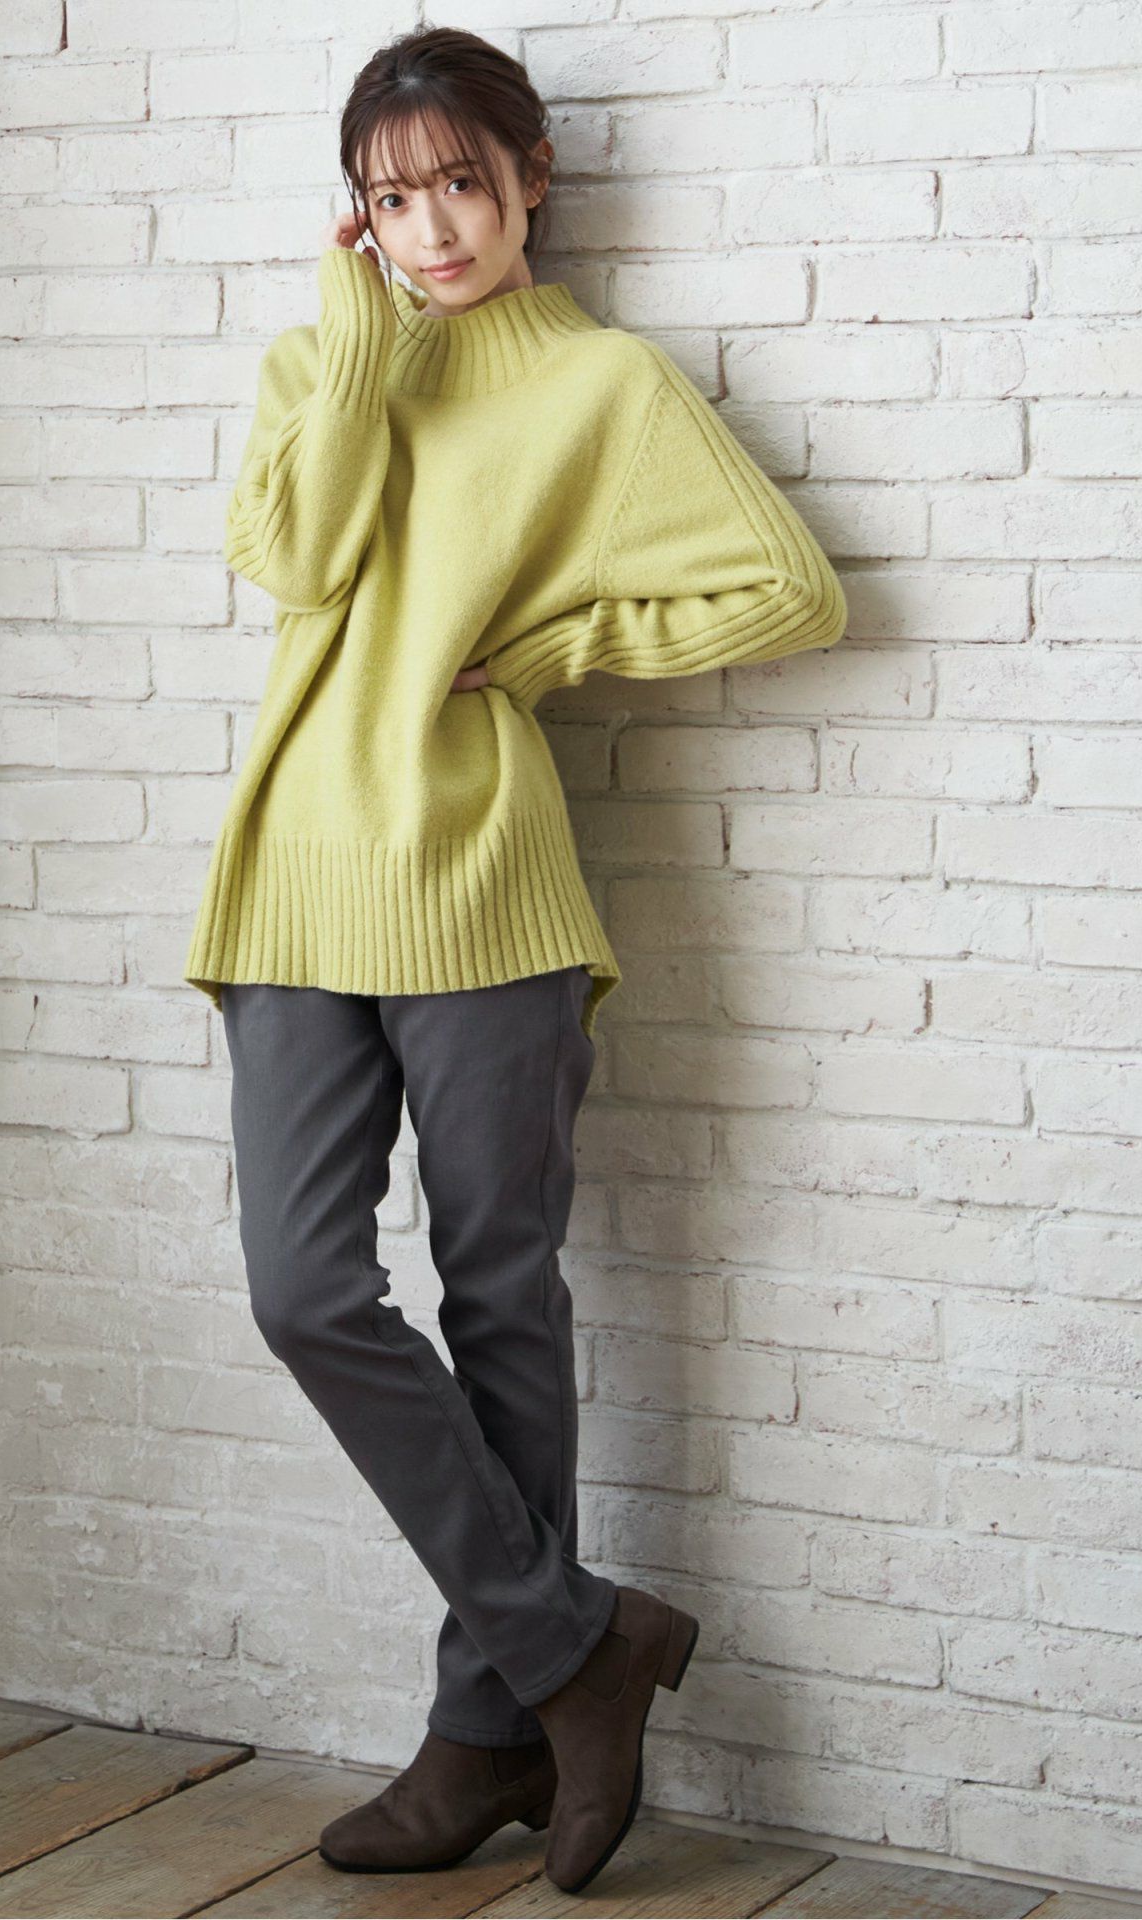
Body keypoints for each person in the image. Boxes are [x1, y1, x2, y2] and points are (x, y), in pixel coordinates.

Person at [183, 25, 847, 1897]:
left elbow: (791, 588)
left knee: (502, 1299)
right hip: (295, 888)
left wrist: (553, 646)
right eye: (393, 201)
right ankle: (578, 1652)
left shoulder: (602, 385)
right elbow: (298, 561)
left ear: (531, 177)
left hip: (485, 886)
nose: (435, 229)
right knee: (305, 1289)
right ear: (359, 217)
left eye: (463, 185)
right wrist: (360, 340)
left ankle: (483, 1734)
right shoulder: (322, 359)